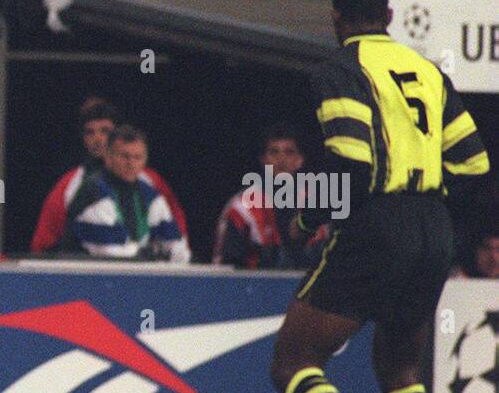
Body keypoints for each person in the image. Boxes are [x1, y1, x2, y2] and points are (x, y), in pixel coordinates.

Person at [269, 0, 490, 393]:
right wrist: (435, 224)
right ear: (390, 17)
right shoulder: (430, 73)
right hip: (433, 226)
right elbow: (474, 166)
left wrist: (304, 216)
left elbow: (350, 162)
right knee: (399, 369)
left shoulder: (340, 69)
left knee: (293, 361)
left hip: (379, 224)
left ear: (336, 19)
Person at [31, 97, 188, 254]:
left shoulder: (150, 184)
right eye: (90, 132)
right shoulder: (70, 184)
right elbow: (44, 243)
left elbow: (177, 238)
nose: (98, 139)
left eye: (105, 131)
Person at [68, 125, 191, 262]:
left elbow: (177, 249)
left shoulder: (149, 194)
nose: (131, 163)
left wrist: (173, 256)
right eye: (125, 156)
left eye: (137, 157)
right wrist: (153, 255)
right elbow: (112, 252)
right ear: (108, 156)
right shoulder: (94, 191)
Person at [212, 125, 328, 269]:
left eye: (289, 152)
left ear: (300, 160)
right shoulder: (242, 207)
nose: (281, 159)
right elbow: (225, 268)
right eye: (274, 152)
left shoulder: (318, 203)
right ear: (264, 159)